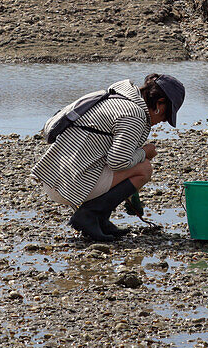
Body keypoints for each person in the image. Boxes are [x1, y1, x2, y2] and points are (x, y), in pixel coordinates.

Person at [32, 73, 185, 242]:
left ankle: (100, 220)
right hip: (67, 185)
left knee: (136, 163)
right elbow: (118, 162)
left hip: (55, 175)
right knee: (144, 169)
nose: (163, 121)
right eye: (167, 115)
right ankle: (89, 216)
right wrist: (144, 153)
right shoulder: (134, 115)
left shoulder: (118, 97)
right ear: (160, 103)